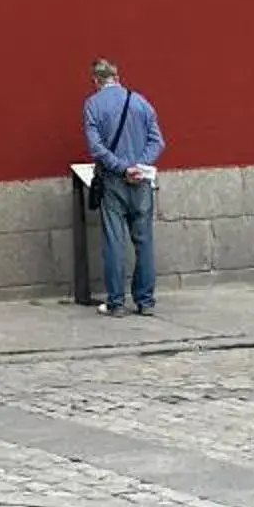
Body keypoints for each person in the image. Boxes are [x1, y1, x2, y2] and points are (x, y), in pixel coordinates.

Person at [83, 57, 166, 316]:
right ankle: (146, 301)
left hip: (114, 181)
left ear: (96, 81)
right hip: (141, 181)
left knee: (114, 242)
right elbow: (158, 142)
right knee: (144, 242)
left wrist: (121, 167)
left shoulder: (92, 105)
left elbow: (96, 146)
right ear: (117, 77)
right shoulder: (141, 102)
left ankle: (116, 303)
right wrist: (139, 166)